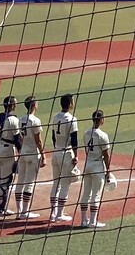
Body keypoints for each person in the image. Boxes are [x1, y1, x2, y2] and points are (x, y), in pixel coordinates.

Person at [78, 109, 115, 229]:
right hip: (97, 166)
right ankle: (93, 221)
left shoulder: (86, 133)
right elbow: (106, 155)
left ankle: (83, 220)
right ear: (101, 120)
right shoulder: (103, 135)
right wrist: (108, 170)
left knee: (86, 193)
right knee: (96, 194)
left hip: (87, 164)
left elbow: (86, 150)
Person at [48, 94, 79, 223]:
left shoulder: (56, 117)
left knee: (56, 183)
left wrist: (57, 148)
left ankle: (53, 214)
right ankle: (59, 214)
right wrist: (76, 155)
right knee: (65, 184)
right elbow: (74, 139)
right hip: (66, 153)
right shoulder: (72, 119)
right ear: (70, 104)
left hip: (56, 152)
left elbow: (53, 136)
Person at [15, 95, 45, 219]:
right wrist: (43, 155)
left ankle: (19, 211)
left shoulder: (20, 119)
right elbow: (38, 140)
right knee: (29, 183)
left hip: (23, 152)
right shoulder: (35, 120)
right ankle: (25, 211)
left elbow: (20, 137)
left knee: (20, 182)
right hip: (32, 154)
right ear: (33, 105)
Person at [0, 96, 21, 215]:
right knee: (5, 181)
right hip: (7, 151)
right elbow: (17, 139)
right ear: (12, 105)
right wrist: (20, 153)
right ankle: (1, 208)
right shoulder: (14, 120)